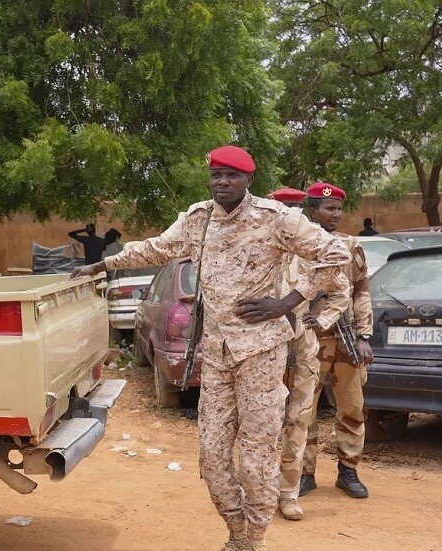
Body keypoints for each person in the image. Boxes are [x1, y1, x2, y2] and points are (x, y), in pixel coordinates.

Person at [71, 146, 350, 551]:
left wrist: (287, 302)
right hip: (216, 355)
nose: (222, 182)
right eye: (217, 175)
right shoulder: (198, 219)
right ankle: (236, 533)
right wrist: (101, 265)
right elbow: (157, 248)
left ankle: (255, 540)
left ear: (248, 179)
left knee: (255, 459)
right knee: (212, 457)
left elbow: (335, 253)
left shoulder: (276, 218)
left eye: (232, 176)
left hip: (261, 353)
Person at [299, 182, 374, 501]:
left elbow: (361, 292)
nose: (336, 214)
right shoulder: (297, 244)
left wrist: (364, 336)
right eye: (329, 208)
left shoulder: (351, 245)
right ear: (312, 211)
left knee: (352, 408)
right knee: (303, 410)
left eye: (339, 209)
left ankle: (348, 471)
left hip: (346, 340)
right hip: (308, 341)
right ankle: (304, 473)